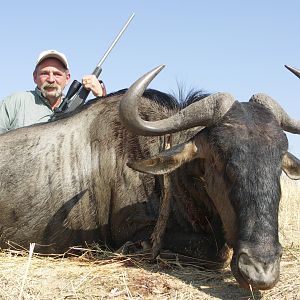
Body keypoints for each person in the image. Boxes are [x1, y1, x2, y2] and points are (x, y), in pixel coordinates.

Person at [0, 49, 106, 134]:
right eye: (44, 73)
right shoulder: (15, 102)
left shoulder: (77, 109)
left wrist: (101, 97)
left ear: (67, 78)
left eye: (57, 74)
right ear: (35, 77)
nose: (51, 79)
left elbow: (102, 134)